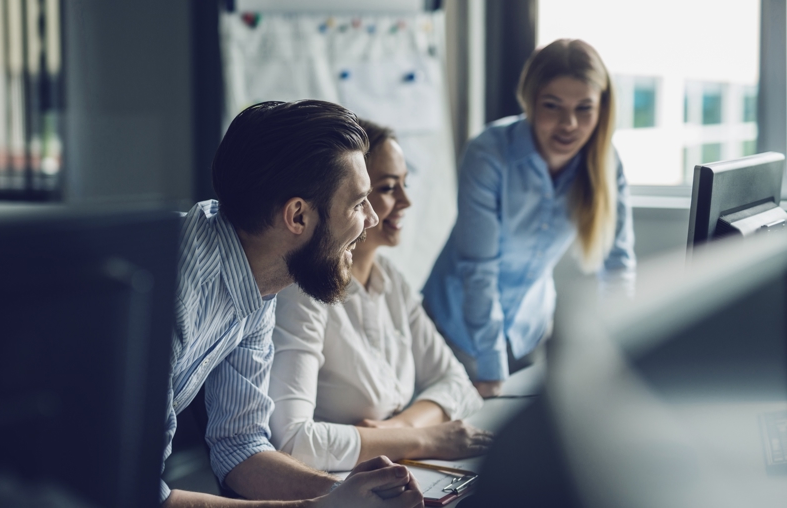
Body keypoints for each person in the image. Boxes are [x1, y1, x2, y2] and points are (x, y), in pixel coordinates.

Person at [163, 100, 424, 508]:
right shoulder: (172, 288)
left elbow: (241, 447)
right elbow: (134, 494)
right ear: (297, 216)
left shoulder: (260, 278)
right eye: (357, 203)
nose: (371, 219)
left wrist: (344, 495)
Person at [268, 119, 490, 473]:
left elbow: (457, 383)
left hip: (395, 466)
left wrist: (396, 429)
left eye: (405, 184)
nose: (405, 201)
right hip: (335, 484)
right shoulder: (303, 292)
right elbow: (294, 444)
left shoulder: (391, 281)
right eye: (388, 188)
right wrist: (425, 438)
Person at [423, 39, 636, 398]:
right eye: (553, 106)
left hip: (529, 330)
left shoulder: (605, 163)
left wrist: (625, 352)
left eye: (584, 108)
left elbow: (618, 265)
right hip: (455, 331)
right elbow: (479, 269)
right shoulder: (489, 153)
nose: (569, 124)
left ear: (602, 109)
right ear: (530, 101)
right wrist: (491, 369)